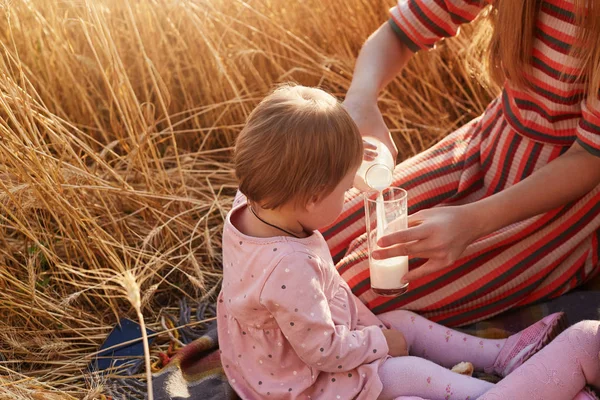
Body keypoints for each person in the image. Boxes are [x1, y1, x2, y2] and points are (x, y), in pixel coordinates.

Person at [217, 84, 600, 399]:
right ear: (313, 196)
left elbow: (296, 151)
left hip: (268, 361)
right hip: (307, 383)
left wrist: (345, 155)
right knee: (409, 370)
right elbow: (325, 352)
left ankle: (503, 353)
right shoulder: (289, 267)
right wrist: (383, 346)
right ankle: (487, 393)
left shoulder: (254, 199)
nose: (352, 190)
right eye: (345, 187)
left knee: (401, 322)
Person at [322, 0, 600, 326]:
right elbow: (398, 33)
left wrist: (472, 222)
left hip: (561, 196)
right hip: (485, 145)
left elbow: (590, 156)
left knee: (359, 288)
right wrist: (360, 99)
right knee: (307, 230)